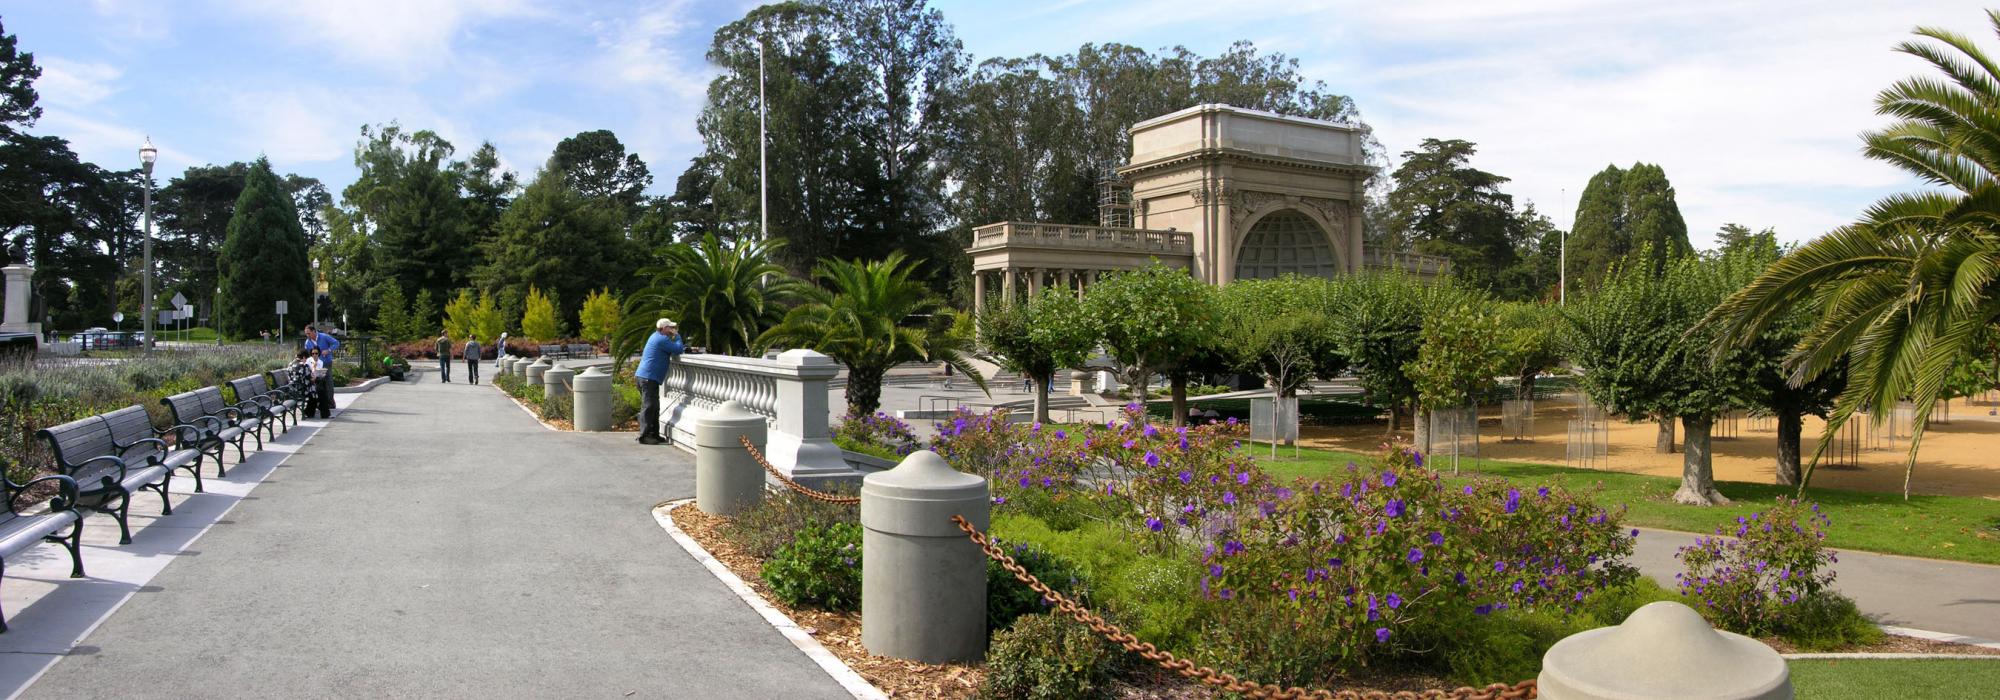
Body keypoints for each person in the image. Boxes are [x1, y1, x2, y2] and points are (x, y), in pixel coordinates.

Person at [634, 318, 685, 445]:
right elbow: (678, 349)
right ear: (663, 328)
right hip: (648, 378)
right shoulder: (662, 339)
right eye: (670, 328)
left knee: (654, 407)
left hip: (646, 377)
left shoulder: (656, 336)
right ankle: (644, 436)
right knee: (649, 406)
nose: (672, 330)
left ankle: (654, 435)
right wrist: (677, 336)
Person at [301, 323, 340, 418]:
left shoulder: (324, 336)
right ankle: (321, 404)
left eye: (308, 333)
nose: (307, 335)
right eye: (306, 334)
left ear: (314, 331)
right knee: (317, 383)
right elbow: (308, 353)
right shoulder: (308, 342)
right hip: (315, 365)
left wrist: (329, 350)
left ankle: (330, 402)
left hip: (326, 363)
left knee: (327, 381)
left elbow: (336, 343)